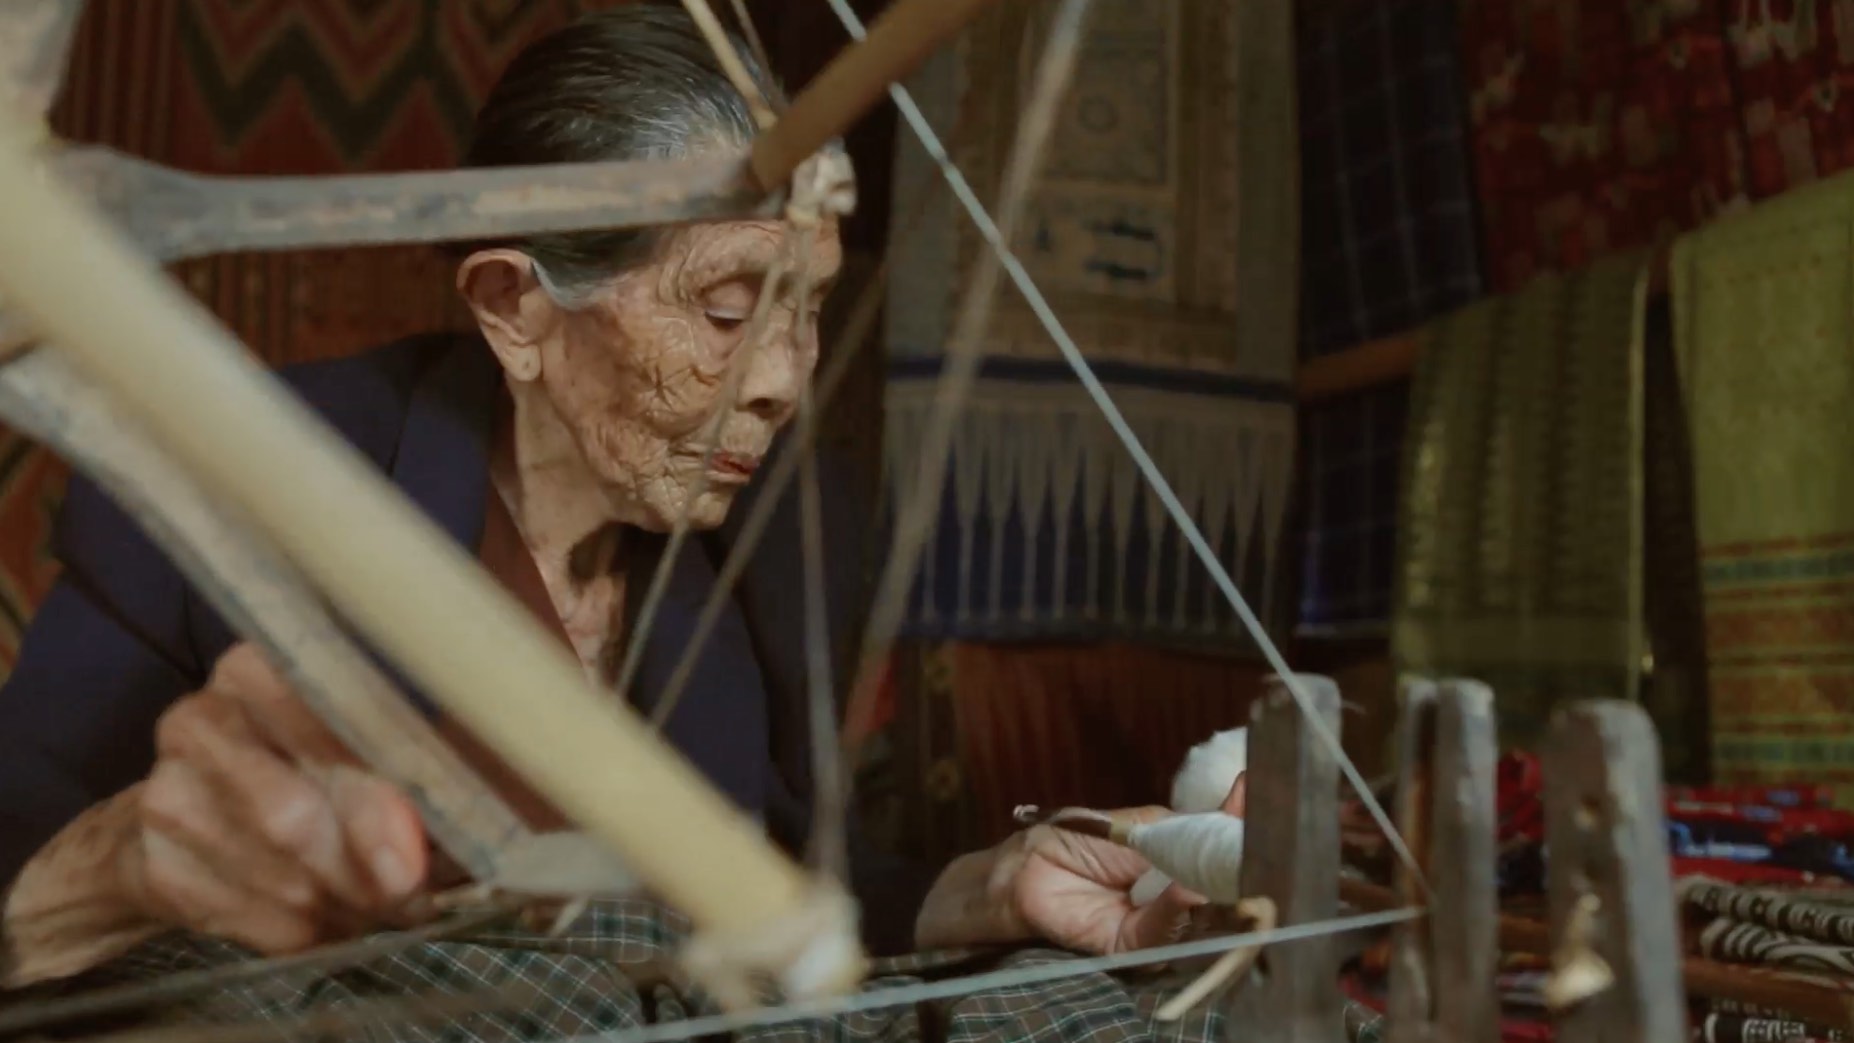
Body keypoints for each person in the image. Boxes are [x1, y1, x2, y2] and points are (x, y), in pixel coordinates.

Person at [0, 4, 1209, 991]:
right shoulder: (233, 463)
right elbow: (20, 899)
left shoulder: (799, 523)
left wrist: (984, 889)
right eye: (730, 313)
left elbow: (782, 881)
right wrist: (135, 859)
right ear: (516, 309)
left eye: (811, 311)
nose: (785, 382)